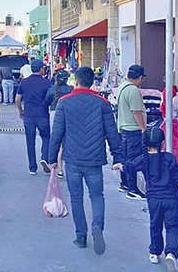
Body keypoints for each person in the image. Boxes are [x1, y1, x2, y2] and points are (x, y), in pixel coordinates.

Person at [49, 67, 123, 254]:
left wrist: (52, 159)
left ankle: (81, 236)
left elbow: (56, 134)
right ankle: (97, 225)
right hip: (95, 160)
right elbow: (112, 134)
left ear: (76, 81)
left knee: (76, 197)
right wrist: (118, 157)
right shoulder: (102, 103)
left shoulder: (64, 103)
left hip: (72, 159)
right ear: (92, 82)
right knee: (97, 195)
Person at [113, 128, 178, 271]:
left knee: (155, 225)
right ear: (162, 143)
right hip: (171, 199)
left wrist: (119, 166)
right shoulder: (169, 158)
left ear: (145, 143)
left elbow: (130, 167)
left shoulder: (144, 159)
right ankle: (171, 254)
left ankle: (155, 253)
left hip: (153, 200)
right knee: (173, 227)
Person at [117, 65, 148, 200]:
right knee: (133, 160)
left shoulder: (122, 87)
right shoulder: (133, 90)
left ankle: (124, 184)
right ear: (140, 78)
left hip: (124, 128)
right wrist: (143, 129)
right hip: (133, 129)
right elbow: (136, 112)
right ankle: (133, 189)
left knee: (125, 157)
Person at [16, 59, 52, 175]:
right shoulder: (47, 83)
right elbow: (50, 98)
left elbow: (17, 99)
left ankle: (32, 167)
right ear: (42, 69)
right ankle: (44, 158)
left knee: (30, 142)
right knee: (46, 137)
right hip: (42, 115)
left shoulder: (24, 82)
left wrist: (21, 111)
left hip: (29, 115)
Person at [44, 69, 73, 179]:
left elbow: (45, 103)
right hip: (69, 115)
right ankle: (69, 168)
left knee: (58, 143)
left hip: (54, 115)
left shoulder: (51, 90)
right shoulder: (71, 89)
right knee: (68, 142)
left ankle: (60, 170)